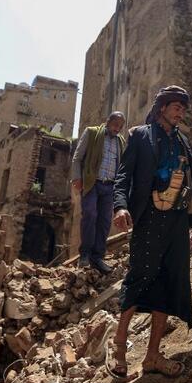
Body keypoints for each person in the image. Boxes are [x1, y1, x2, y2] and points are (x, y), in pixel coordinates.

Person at [106, 86, 192, 381]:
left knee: (167, 282)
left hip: (176, 221)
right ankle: (118, 348)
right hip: (149, 218)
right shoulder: (141, 135)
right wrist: (120, 206)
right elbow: (124, 175)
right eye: (176, 106)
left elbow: (191, 182)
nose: (180, 111)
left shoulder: (183, 143)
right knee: (140, 276)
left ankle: (152, 356)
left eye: (183, 107)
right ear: (162, 108)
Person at [71, 111, 126, 274]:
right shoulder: (92, 132)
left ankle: (98, 257)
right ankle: (85, 255)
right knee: (90, 214)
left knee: (104, 221)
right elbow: (77, 157)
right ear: (108, 122)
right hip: (92, 183)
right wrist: (77, 178)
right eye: (115, 124)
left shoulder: (120, 142)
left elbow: (122, 165)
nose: (117, 128)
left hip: (110, 186)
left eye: (120, 126)